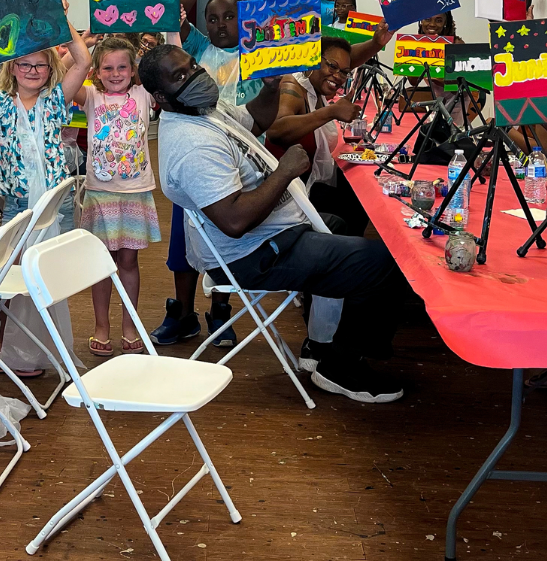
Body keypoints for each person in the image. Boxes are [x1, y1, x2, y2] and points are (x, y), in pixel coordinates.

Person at [139, 44, 408, 403]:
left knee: (340, 224)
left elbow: (253, 120)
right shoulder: (193, 145)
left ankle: (320, 345)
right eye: (181, 76)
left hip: (276, 230)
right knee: (386, 265)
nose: (196, 76)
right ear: (160, 96)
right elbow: (234, 220)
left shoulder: (204, 110)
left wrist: (269, 89)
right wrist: (284, 172)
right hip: (250, 254)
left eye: (193, 66)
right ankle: (341, 367)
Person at [0, 1, 90, 375]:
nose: (32, 71)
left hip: (53, 204)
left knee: (45, 276)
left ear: (50, 70)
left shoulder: (55, 100)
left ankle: (35, 350)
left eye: (40, 65)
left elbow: (83, 61)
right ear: (12, 68)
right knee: (13, 276)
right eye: (24, 64)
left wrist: (61, 18)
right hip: (18, 203)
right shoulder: (1, 103)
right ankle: (12, 346)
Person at [150, 0, 285, 346]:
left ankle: (221, 308)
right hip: (196, 160)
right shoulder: (195, 49)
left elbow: (285, 21)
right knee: (183, 242)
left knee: (227, 239)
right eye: (212, 18)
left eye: (230, 17)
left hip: (240, 161)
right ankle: (182, 311)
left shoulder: (257, 53)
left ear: (244, 20)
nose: (221, 24)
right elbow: (177, 4)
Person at [74, 37, 161, 357]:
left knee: (128, 261)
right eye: (107, 68)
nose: (115, 73)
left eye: (122, 67)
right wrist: (82, 41)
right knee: (102, 263)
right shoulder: (90, 96)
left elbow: (170, 66)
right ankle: (101, 326)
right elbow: (65, 77)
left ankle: (130, 325)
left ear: (133, 69)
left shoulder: (143, 94)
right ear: (96, 71)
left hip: (135, 194)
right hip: (101, 195)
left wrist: (171, 28)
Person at [267, 32, 392, 238]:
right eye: (332, 67)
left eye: (344, 73)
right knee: (354, 203)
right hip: (285, 196)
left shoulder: (315, 86)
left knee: (360, 192)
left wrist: (376, 43)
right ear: (313, 59)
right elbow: (275, 131)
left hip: (306, 183)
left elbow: (344, 60)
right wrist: (330, 112)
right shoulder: (292, 87)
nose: (338, 76)